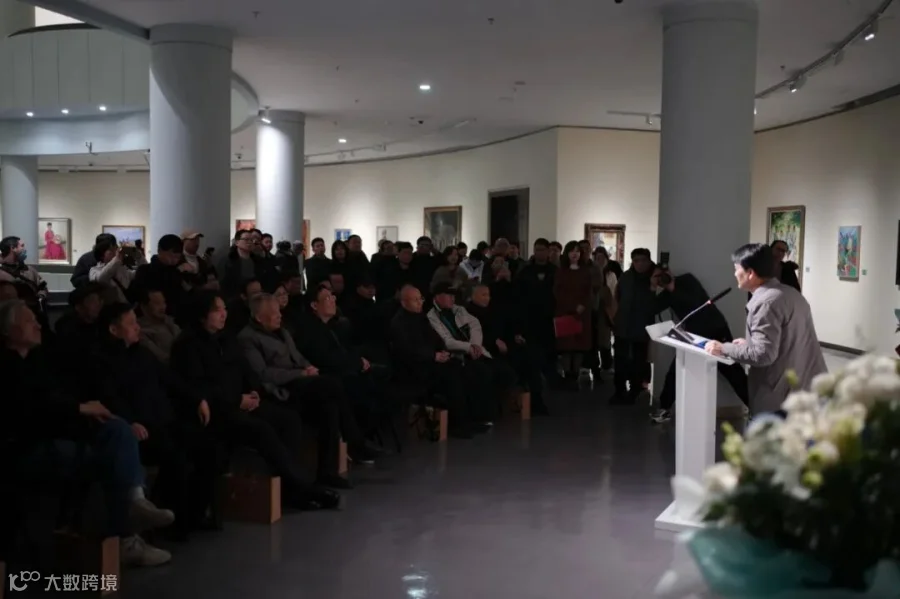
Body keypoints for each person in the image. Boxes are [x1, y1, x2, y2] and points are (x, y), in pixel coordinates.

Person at [0, 299, 175, 567]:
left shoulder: (40, 360)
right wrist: (80, 409)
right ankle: (126, 536)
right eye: (28, 321)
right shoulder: (6, 366)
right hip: (26, 444)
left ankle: (136, 501)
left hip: (63, 430)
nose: (38, 325)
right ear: (8, 330)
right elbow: (30, 410)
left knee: (118, 429)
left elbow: (61, 399)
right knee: (112, 462)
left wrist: (87, 412)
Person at [170, 291, 340, 510]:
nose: (223, 314)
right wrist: (237, 400)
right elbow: (200, 387)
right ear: (202, 315)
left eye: (224, 309)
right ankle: (304, 488)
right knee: (261, 430)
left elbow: (246, 369)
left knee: (289, 420)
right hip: (217, 410)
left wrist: (254, 390)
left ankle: (291, 490)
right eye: (217, 310)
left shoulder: (225, 338)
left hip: (245, 400)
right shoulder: (188, 345)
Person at [94, 303, 223, 540]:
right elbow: (109, 398)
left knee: (211, 448)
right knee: (176, 456)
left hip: (166, 421)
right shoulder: (102, 361)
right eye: (131, 323)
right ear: (113, 330)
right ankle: (173, 525)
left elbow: (170, 379)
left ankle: (192, 517)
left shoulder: (142, 353)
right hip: (140, 427)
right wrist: (129, 422)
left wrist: (197, 399)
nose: (137, 327)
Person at [238, 293, 379, 487]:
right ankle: (355, 442)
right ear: (259, 317)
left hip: (301, 383)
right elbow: (263, 373)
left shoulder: (283, 332)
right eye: (274, 312)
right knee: (332, 385)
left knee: (329, 407)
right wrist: (301, 373)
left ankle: (327, 472)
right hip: (280, 389)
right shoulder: (248, 338)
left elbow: (298, 357)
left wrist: (309, 368)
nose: (279, 315)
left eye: (279, 311)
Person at [705, 243, 827, 415]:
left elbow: (763, 354)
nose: (734, 274)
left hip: (782, 400)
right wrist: (749, 344)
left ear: (750, 273)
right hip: (806, 392)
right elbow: (787, 341)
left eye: (736, 269)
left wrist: (723, 348)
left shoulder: (765, 303)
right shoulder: (791, 294)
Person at [650, 265, 749, 424]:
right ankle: (664, 408)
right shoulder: (666, 294)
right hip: (693, 337)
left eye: (664, 274)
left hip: (716, 330)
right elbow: (651, 308)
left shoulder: (688, 280)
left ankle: (756, 408)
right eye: (658, 277)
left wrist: (672, 286)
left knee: (732, 371)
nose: (663, 278)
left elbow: (694, 301)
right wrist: (652, 287)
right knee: (676, 369)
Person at [390, 285, 491, 439]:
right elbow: (408, 350)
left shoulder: (420, 317)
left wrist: (443, 352)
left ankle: (472, 419)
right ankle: (458, 425)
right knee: (452, 377)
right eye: (415, 300)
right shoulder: (399, 323)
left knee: (466, 370)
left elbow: (435, 339)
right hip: (413, 368)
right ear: (404, 302)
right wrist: (433, 356)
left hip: (431, 361)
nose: (420, 302)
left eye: (420, 298)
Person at [612, 248, 658, 403]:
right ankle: (619, 391)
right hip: (623, 324)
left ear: (649, 261)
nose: (640, 264)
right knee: (620, 360)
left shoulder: (654, 277)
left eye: (643, 260)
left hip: (642, 326)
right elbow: (618, 297)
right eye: (636, 260)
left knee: (638, 361)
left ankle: (635, 390)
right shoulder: (626, 277)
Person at [553, 241, 593, 386]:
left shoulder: (585, 271)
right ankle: (567, 375)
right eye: (571, 251)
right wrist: (570, 306)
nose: (575, 254)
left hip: (582, 314)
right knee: (566, 347)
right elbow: (557, 291)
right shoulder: (561, 271)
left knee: (578, 347)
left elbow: (589, 291)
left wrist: (582, 306)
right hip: (564, 312)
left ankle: (575, 375)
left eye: (577, 251)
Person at [132, 234, 191, 323]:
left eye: (177, 257)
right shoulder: (145, 270)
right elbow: (143, 295)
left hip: (178, 318)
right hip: (153, 320)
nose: (174, 260)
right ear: (159, 250)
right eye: (171, 256)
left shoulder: (178, 271)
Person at [138, 288, 181, 364]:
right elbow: (161, 358)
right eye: (157, 303)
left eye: (163, 302)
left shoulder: (170, 322)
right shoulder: (141, 331)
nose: (162, 307)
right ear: (144, 307)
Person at [217, 230, 261, 299]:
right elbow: (222, 283)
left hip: (254, 297)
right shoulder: (228, 261)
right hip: (233, 298)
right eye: (246, 239)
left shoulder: (257, 260)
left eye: (251, 240)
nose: (249, 242)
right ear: (237, 242)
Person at [89, 238, 135, 304]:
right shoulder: (94, 270)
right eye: (111, 250)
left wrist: (139, 257)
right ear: (101, 255)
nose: (115, 251)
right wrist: (117, 259)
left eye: (116, 249)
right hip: (108, 307)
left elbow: (137, 274)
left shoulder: (120, 268)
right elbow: (101, 279)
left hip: (125, 305)